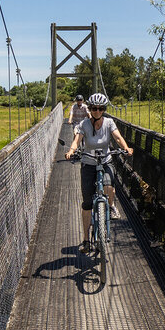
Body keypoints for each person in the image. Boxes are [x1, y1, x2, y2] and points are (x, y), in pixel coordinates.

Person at [65, 93, 134, 249]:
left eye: (100, 108)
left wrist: (125, 148)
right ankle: (85, 239)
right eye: (94, 108)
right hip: (88, 163)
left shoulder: (109, 123)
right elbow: (77, 140)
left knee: (109, 187)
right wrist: (71, 151)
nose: (97, 111)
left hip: (105, 160)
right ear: (90, 108)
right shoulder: (84, 124)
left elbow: (117, 137)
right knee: (87, 202)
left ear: (104, 109)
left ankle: (110, 206)